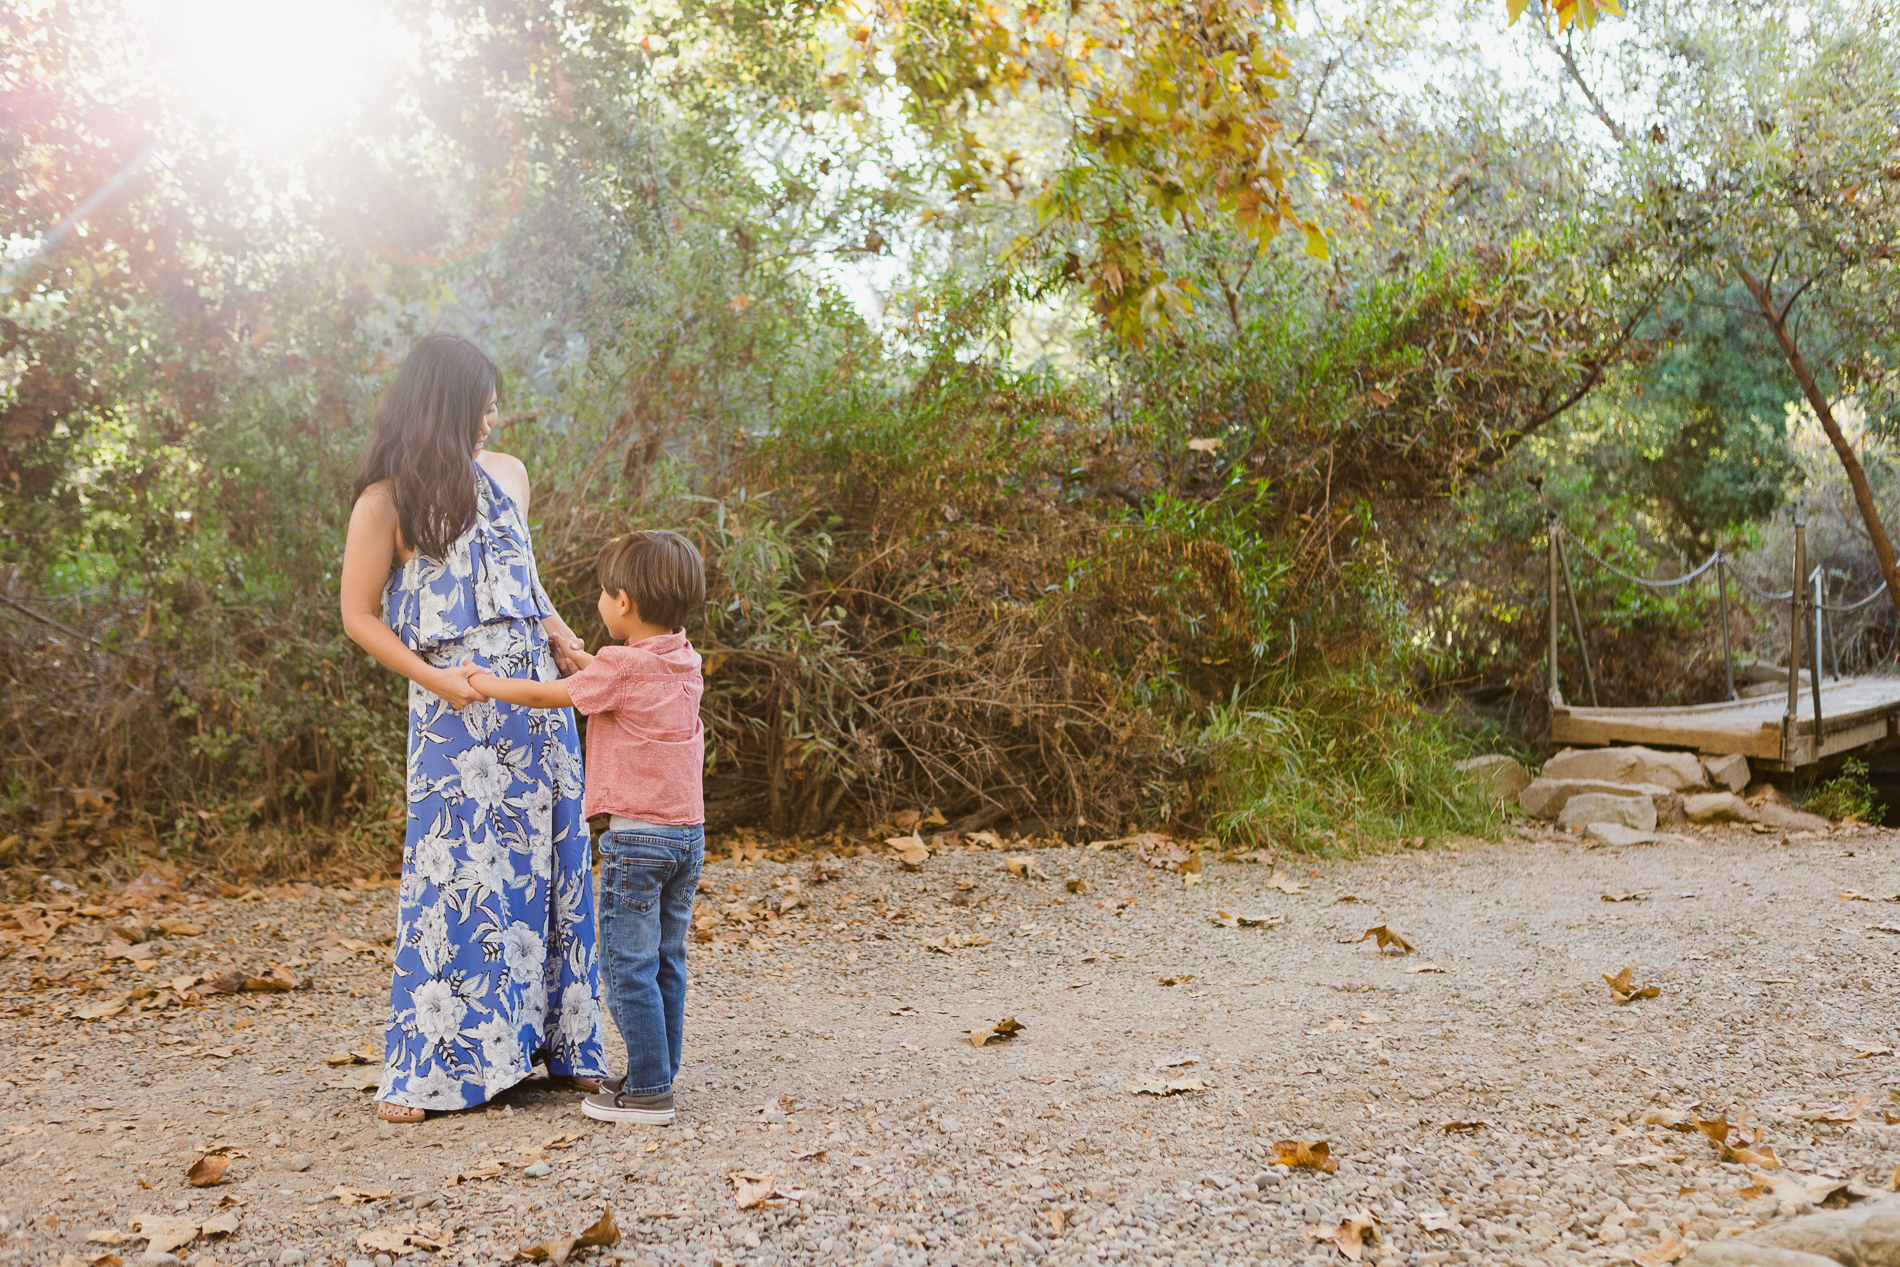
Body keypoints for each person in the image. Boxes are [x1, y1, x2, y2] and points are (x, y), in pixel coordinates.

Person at [338, 333, 608, 1123]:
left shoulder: (509, 474)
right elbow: (358, 615)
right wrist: (436, 681)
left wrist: (561, 637)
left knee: (550, 865)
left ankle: (562, 1046)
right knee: (457, 876)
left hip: (533, 694)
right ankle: (435, 1069)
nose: (493, 421)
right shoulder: (385, 499)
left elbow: (518, 573)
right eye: (481, 408)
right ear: (446, 408)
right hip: (454, 706)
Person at [469, 529, 706, 1125]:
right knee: (665, 958)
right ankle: (660, 1069)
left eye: (603, 593)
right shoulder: (682, 657)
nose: (599, 603)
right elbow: (605, 680)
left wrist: (486, 684)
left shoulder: (620, 667)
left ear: (623, 602)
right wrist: (580, 659)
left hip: (635, 840)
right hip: (687, 838)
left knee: (626, 965)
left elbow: (557, 695)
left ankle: (650, 1090)